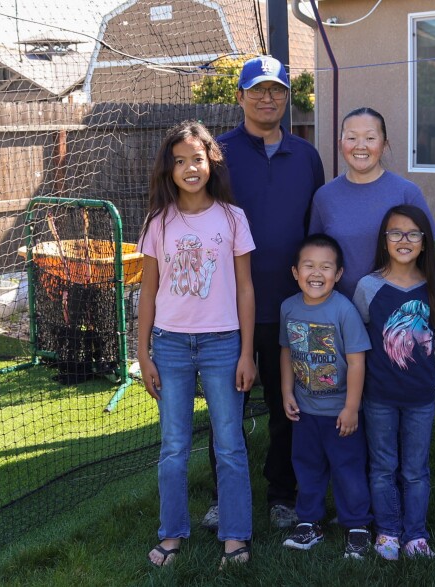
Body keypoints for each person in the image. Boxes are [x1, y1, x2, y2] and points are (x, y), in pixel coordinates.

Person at [202, 55, 326, 530]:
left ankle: (282, 494)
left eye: (276, 90)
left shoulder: (307, 156)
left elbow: (313, 229)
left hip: (289, 305)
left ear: (287, 98)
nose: (267, 98)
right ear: (240, 97)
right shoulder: (219, 154)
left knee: (284, 405)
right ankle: (223, 496)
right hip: (227, 307)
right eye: (257, 90)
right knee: (225, 407)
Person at [137, 121, 255, 568]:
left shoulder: (232, 218)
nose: (189, 168)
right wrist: (142, 352)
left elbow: (245, 288)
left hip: (224, 345)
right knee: (173, 446)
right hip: (169, 346)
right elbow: (148, 292)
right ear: (169, 169)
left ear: (211, 164)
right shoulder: (158, 222)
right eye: (180, 160)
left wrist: (246, 351)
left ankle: (236, 537)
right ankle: (171, 534)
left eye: (197, 159)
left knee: (229, 443)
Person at [352, 204, 435, 561]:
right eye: (396, 233)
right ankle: (388, 532)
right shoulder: (369, 287)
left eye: (413, 234)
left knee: (415, 470)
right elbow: (359, 335)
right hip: (378, 395)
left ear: (425, 242)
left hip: (421, 398)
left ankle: (416, 535)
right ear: (385, 240)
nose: (404, 240)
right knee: (382, 467)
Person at [279, 234, 373, 559]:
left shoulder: (343, 311)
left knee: (348, 468)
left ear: (339, 273)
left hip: (339, 412)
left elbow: (358, 361)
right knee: (306, 467)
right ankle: (310, 523)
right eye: (309, 266)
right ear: (295, 271)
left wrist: (352, 408)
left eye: (325, 267)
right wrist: (286, 390)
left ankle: (358, 527)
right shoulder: (288, 308)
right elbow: (287, 351)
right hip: (305, 411)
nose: (316, 273)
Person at [309, 107, 435, 300]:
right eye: (352, 138)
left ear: (384, 144)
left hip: (394, 312)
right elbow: (314, 256)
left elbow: (429, 255)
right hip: (340, 309)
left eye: (370, 138)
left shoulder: (407, 193)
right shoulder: (325, 197)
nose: (360, 146)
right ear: (340, 144)